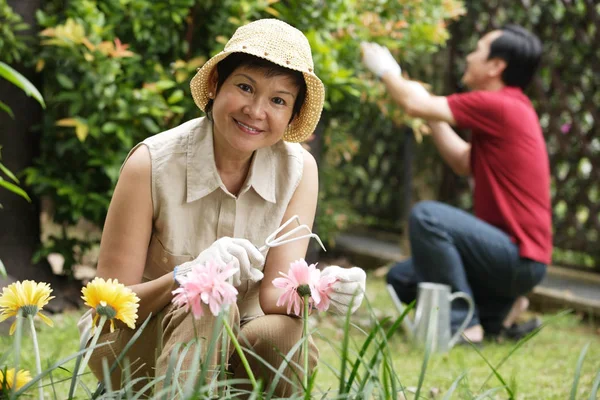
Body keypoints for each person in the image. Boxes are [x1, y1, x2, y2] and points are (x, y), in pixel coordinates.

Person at [78, 19, 366, 396]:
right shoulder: (151, 164)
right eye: (245, 87)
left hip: (235, 341)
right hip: (135, 345)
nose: (256, 110)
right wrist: (187, 275)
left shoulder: (298, 170)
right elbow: (108, 308)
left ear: (292, 116)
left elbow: (274, 298)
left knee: (285, 331)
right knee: (209, 304)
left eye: (278, 100)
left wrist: (325, 288)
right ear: (216, 85)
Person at [360, 25, 551, 344]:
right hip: (512, 260)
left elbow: (412, 103)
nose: (469, 56)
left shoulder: (500, 105)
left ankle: (465, 325)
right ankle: (496, 314)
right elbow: (463, 160)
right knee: (402, 278)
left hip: (517, 257)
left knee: (427, 218)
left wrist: (385, 68)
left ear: (495, 66)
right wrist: (434, 114)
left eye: (478, 49)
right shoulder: (510, 108)